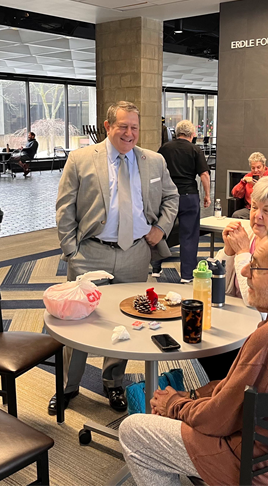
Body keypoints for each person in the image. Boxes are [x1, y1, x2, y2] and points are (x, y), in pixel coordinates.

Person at [118, 224, 268, 486]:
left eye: (256, 266)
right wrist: (192, 396)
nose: (244, 271)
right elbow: (242, 394)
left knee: (134, 430)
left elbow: (217, 421)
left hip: (254, 469)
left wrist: (173, 405)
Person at [51, 101, 179, 414]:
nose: (129, 133)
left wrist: (160, 230)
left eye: (134, 127)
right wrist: (72, 251)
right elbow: (65, 209)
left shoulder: (154, 161)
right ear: (107, 127)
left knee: (126, 321)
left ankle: (113, 382)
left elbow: (172, 198)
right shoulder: (81, 159)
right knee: (77, 322)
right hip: (90, 253)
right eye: (122, 126)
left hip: (135, 253)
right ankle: (67, 386)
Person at [198, 176, 268, 381]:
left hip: (262, 334)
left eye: (266, 210)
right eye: (253, 207)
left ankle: (228, 393)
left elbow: (253, 301)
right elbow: (221, 292)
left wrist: (242, 252)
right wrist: (227, 251)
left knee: (214, 352)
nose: (256, 216)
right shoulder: (250, 237)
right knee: (200, 337)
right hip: (232, 319)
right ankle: (222, 390)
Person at [153, 119, 211, 282]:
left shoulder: (164, 148)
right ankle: (187, 275)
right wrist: (207, 195)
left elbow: (155, 171)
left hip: (166, 197)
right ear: (192, 135)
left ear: (177, 133)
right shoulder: (195, 149)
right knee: (189, 235)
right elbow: (204, 175)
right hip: (188, 196)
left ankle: (156, 268)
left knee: (161, 231)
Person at [231, 152, 268, 219]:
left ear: (264, 166)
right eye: (253, 168)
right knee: (236, 215)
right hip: (250, 209)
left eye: (258, 167)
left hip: (266, 210)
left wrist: (258, 185)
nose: (256, 170)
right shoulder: (248, 176)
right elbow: (235, 194)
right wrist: (242, 183)